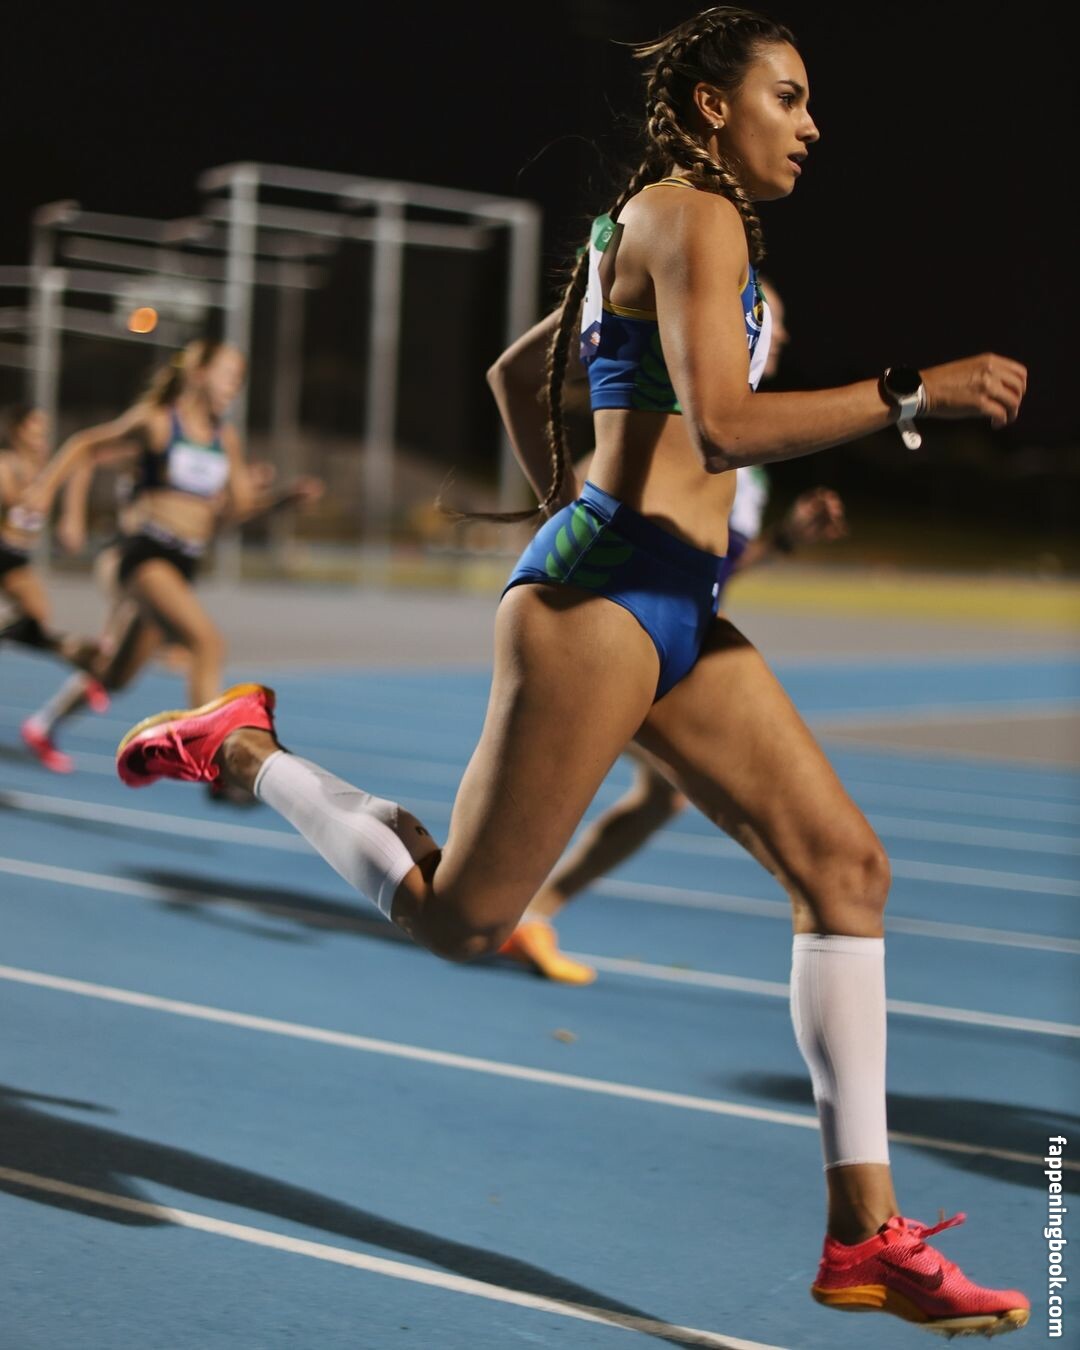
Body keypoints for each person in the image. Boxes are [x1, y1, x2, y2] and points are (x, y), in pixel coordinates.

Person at [111, 7, 1029, 1335]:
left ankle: (864, 1237)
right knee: (464, 919)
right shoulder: (690, 215)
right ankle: (241, 745)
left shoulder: (661, 229)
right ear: (712, 106)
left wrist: (576, 501)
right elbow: (723, 425)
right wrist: (910, 393)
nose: (812, 124)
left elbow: (519, 372)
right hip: (605, 602)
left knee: (846, 868)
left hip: (663, 598)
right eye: (787, 96)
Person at [493, 278, 848, 985]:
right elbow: (583, 490)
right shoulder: (676, 418)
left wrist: (785, 542)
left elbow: (713, 563)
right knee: (476, 893)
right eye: (768, 318)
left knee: (665, 802)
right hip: (614, 630)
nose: (780, 334)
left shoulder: (745, 456)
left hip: (677, 631)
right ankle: (519, 909)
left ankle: (529, 912)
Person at [22, 451, 323, 776]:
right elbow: (88, 454)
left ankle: (38, 670)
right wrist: (73, 514)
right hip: (130, 562)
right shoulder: (168, 452)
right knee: (204, 643)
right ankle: (213, 756)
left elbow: (231, 514)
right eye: (249, 479)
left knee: (113, 674)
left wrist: (281, 500)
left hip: (162, 576)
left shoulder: (207, 496)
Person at [0, 405, 107, 679]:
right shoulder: (7, 465)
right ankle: (66, 648)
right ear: (17, 431)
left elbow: (84, 460)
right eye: (35, 427)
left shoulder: (45, 470)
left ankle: (65, 647)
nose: (42, 435)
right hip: (4, 550)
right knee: (35, 616)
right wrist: (33, 490)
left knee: (37, 616)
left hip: (19, 554)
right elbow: (21, 504)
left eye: (45, 430)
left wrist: (73, 515)